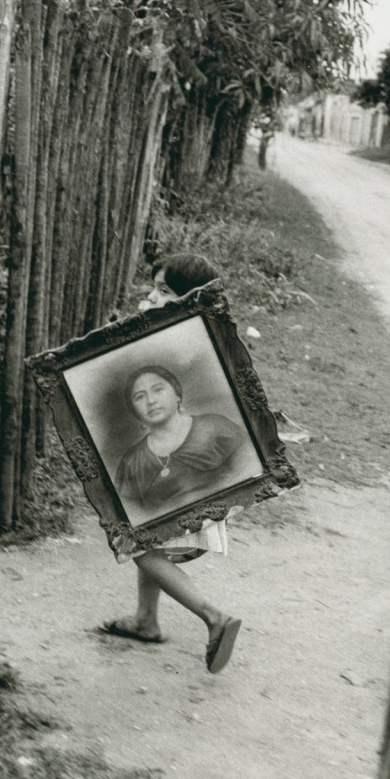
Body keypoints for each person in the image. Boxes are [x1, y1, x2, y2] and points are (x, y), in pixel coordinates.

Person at [100, 252, 243, 674]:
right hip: (175, 460)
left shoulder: (181, 339)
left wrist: (138, 322)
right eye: (153, 288)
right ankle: (146, 619)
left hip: (179, 466)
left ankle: (214, 618)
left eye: (164, 291)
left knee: (134, 540)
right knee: (151, 537)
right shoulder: (195, 333)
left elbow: (127, 360)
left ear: (190, 299)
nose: (151, 297)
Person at [116, 364, 245, 514]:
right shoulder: (131, 462)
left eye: (158, 389)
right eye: (140, 397)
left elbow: (248, 476)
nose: (150, 401)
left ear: (177, 394)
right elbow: (132, 517)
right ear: (135, 411)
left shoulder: (216, 427)